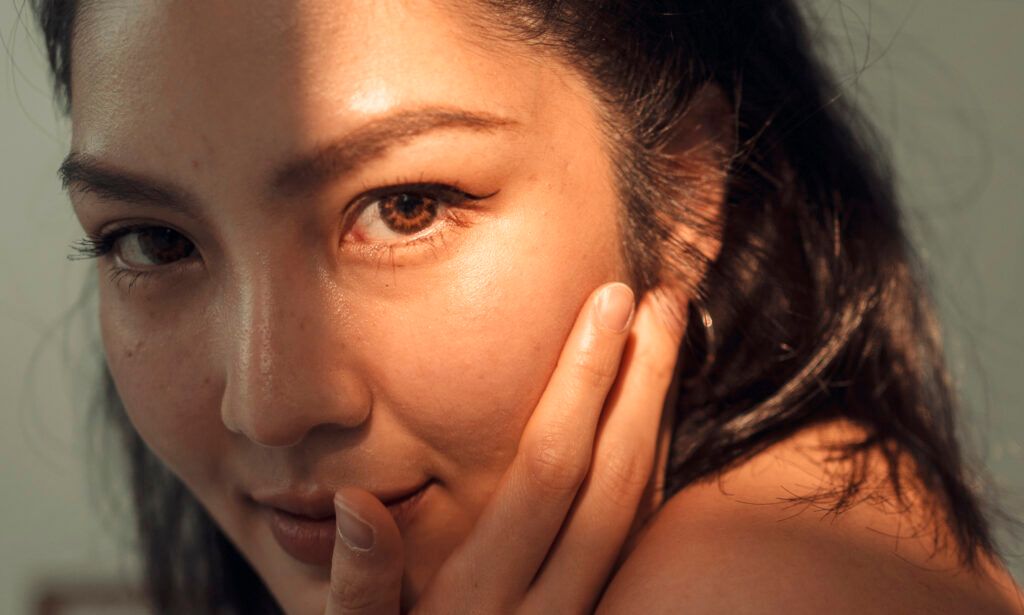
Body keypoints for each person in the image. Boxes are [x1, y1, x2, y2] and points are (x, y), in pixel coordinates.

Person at [30, 0, 1023, 613]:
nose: (267, 404)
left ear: (684, 188)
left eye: (404, 208)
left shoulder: (755, 587)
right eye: (151, 242)